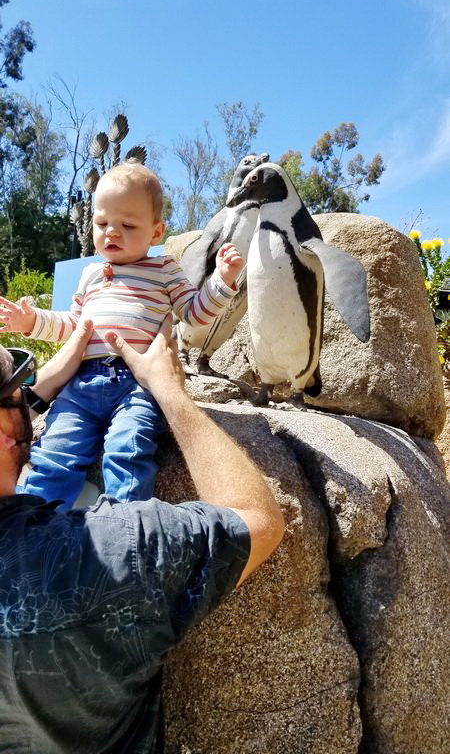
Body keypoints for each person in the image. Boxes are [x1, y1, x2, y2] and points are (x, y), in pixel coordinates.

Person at [0, 315, 285, 753]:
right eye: (19, 393)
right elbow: (257, 520)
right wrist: (169, 390)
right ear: (5, 432)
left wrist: (37, 393)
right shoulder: (113, 549)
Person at [0, 163, 243, 508]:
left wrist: (222, 280)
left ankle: (124, 520)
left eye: (127, 225)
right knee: (55, 450)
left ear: (156, 232)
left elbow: (194, 313)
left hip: (137, 384)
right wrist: (32, 321)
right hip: (81, 384)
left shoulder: (164, 269)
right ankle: (32, 521)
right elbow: (72, 324)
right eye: (102, 224)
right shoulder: (90, 273)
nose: (112, 232)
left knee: (127, 450)